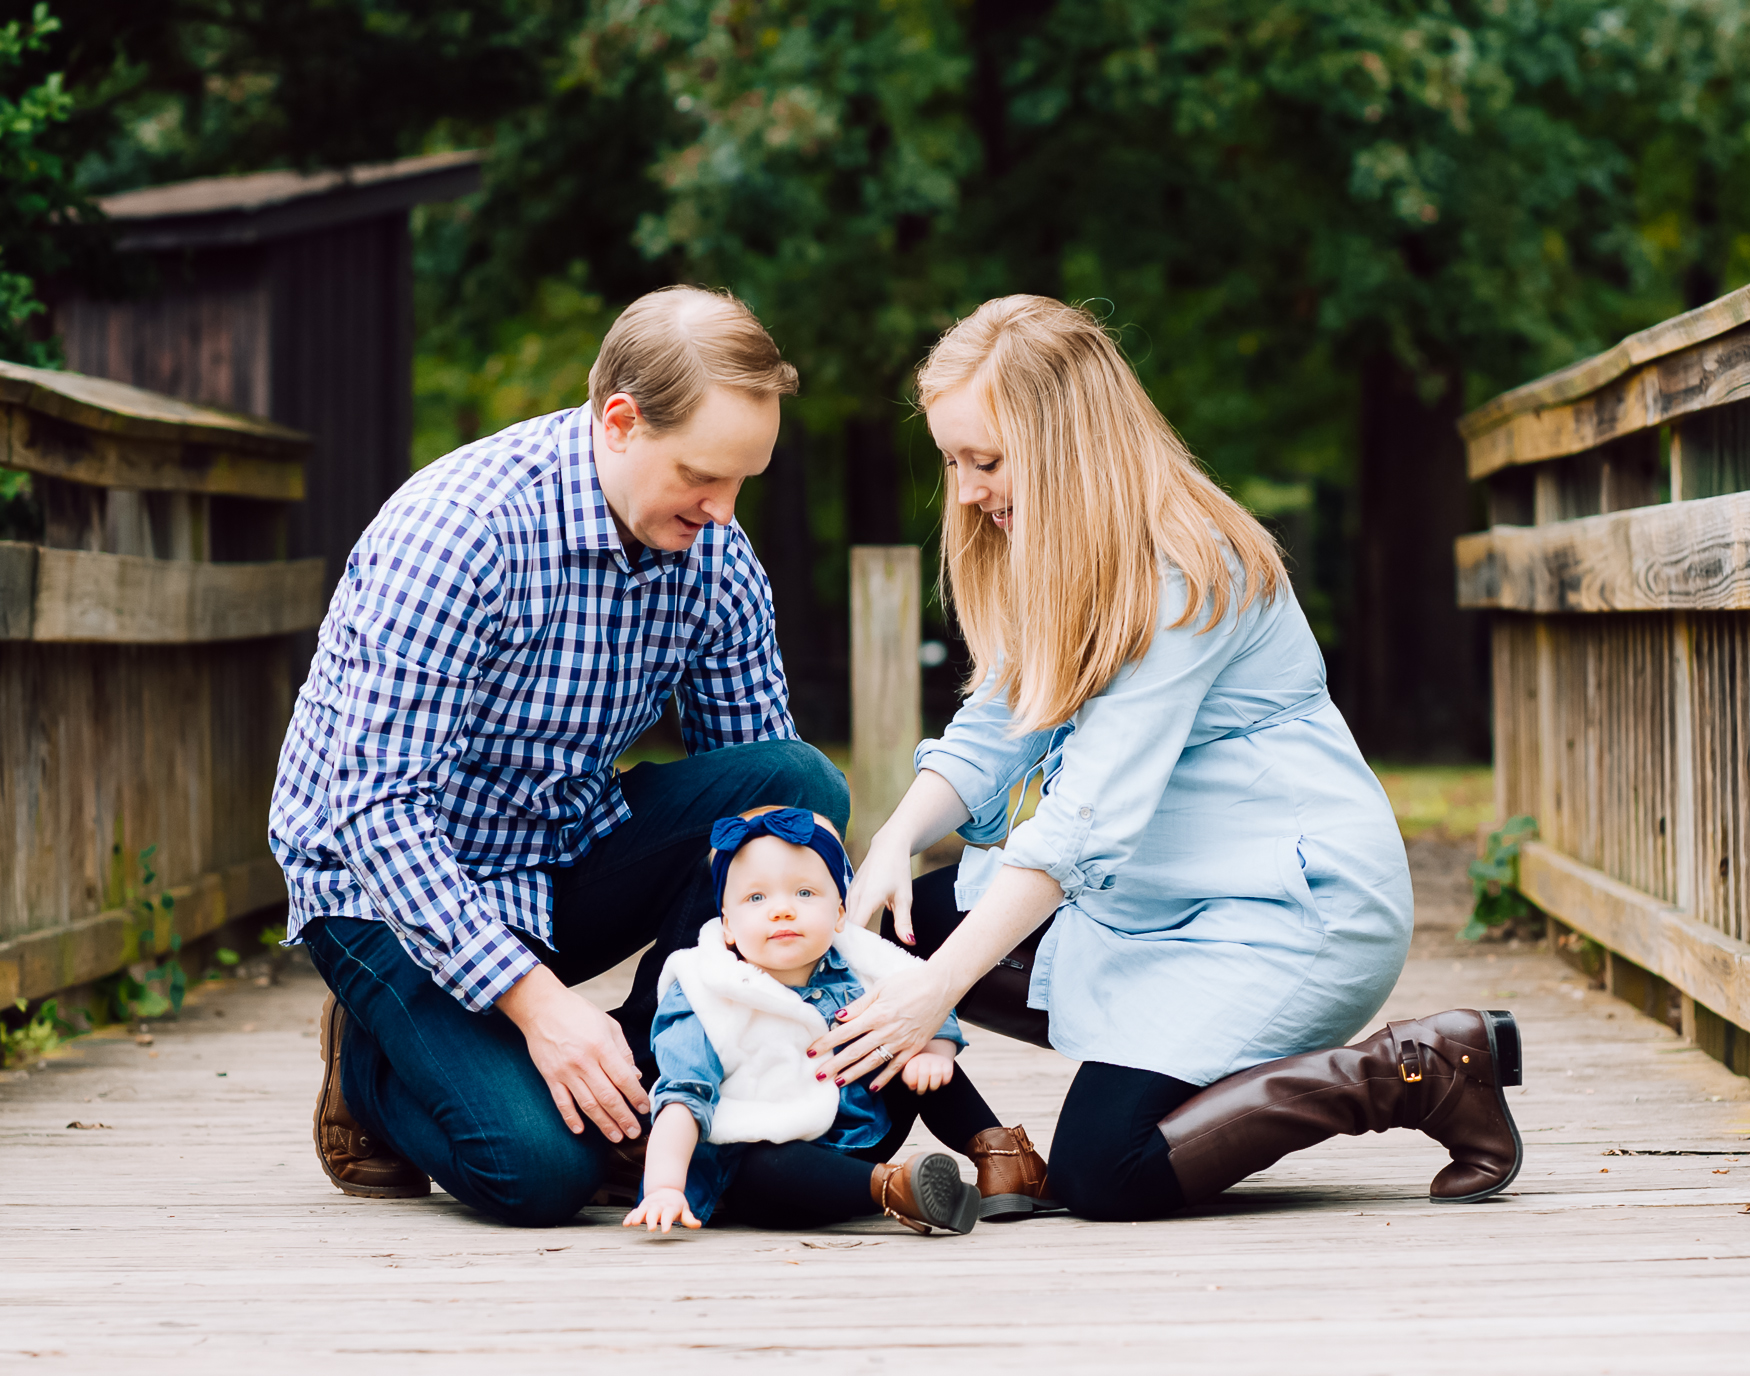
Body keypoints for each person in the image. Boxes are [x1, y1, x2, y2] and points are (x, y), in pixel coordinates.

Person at [809, 295, 1524, 1221]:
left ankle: (1413, 1070)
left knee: (1110, 1172)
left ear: (1067, 447)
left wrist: (932, 994)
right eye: (953, 462)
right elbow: (995, 732)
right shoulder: (1064, 555)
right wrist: (893, 843)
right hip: (1159, 902)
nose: (970, 490)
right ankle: (1007, 1139)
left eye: (985, 461)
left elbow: (1081, 825)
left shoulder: (1187, 570)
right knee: (894, 929)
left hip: (1290, 913)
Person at [275, 286, 850, 1227]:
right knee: (541, 1176)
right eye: (703, 476)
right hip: (386, 884)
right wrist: (545, 1013)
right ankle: (371, 1066)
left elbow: (761, 818)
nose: (723, 509)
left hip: (556, 846)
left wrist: (824, 992)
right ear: (620, 422)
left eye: (744, 481)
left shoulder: (714, 551)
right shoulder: (460, 533)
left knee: (796, 782)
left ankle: (643, 1073)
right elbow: (373, 812)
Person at [624, 807, 1055, 1237]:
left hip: (864, 1130)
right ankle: (895, 1188)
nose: (782, 911)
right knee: (764, 1170)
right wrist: (663, 1186)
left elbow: (925, 1000)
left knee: (906, 1041)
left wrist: (935, 1052)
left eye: (805, 893)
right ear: (727, 925)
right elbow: (683, 1096)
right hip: (769, 1158)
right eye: (757, 898)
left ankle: (1002, 1156)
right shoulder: (708, 989)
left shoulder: (861, 958)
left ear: (839, 913)